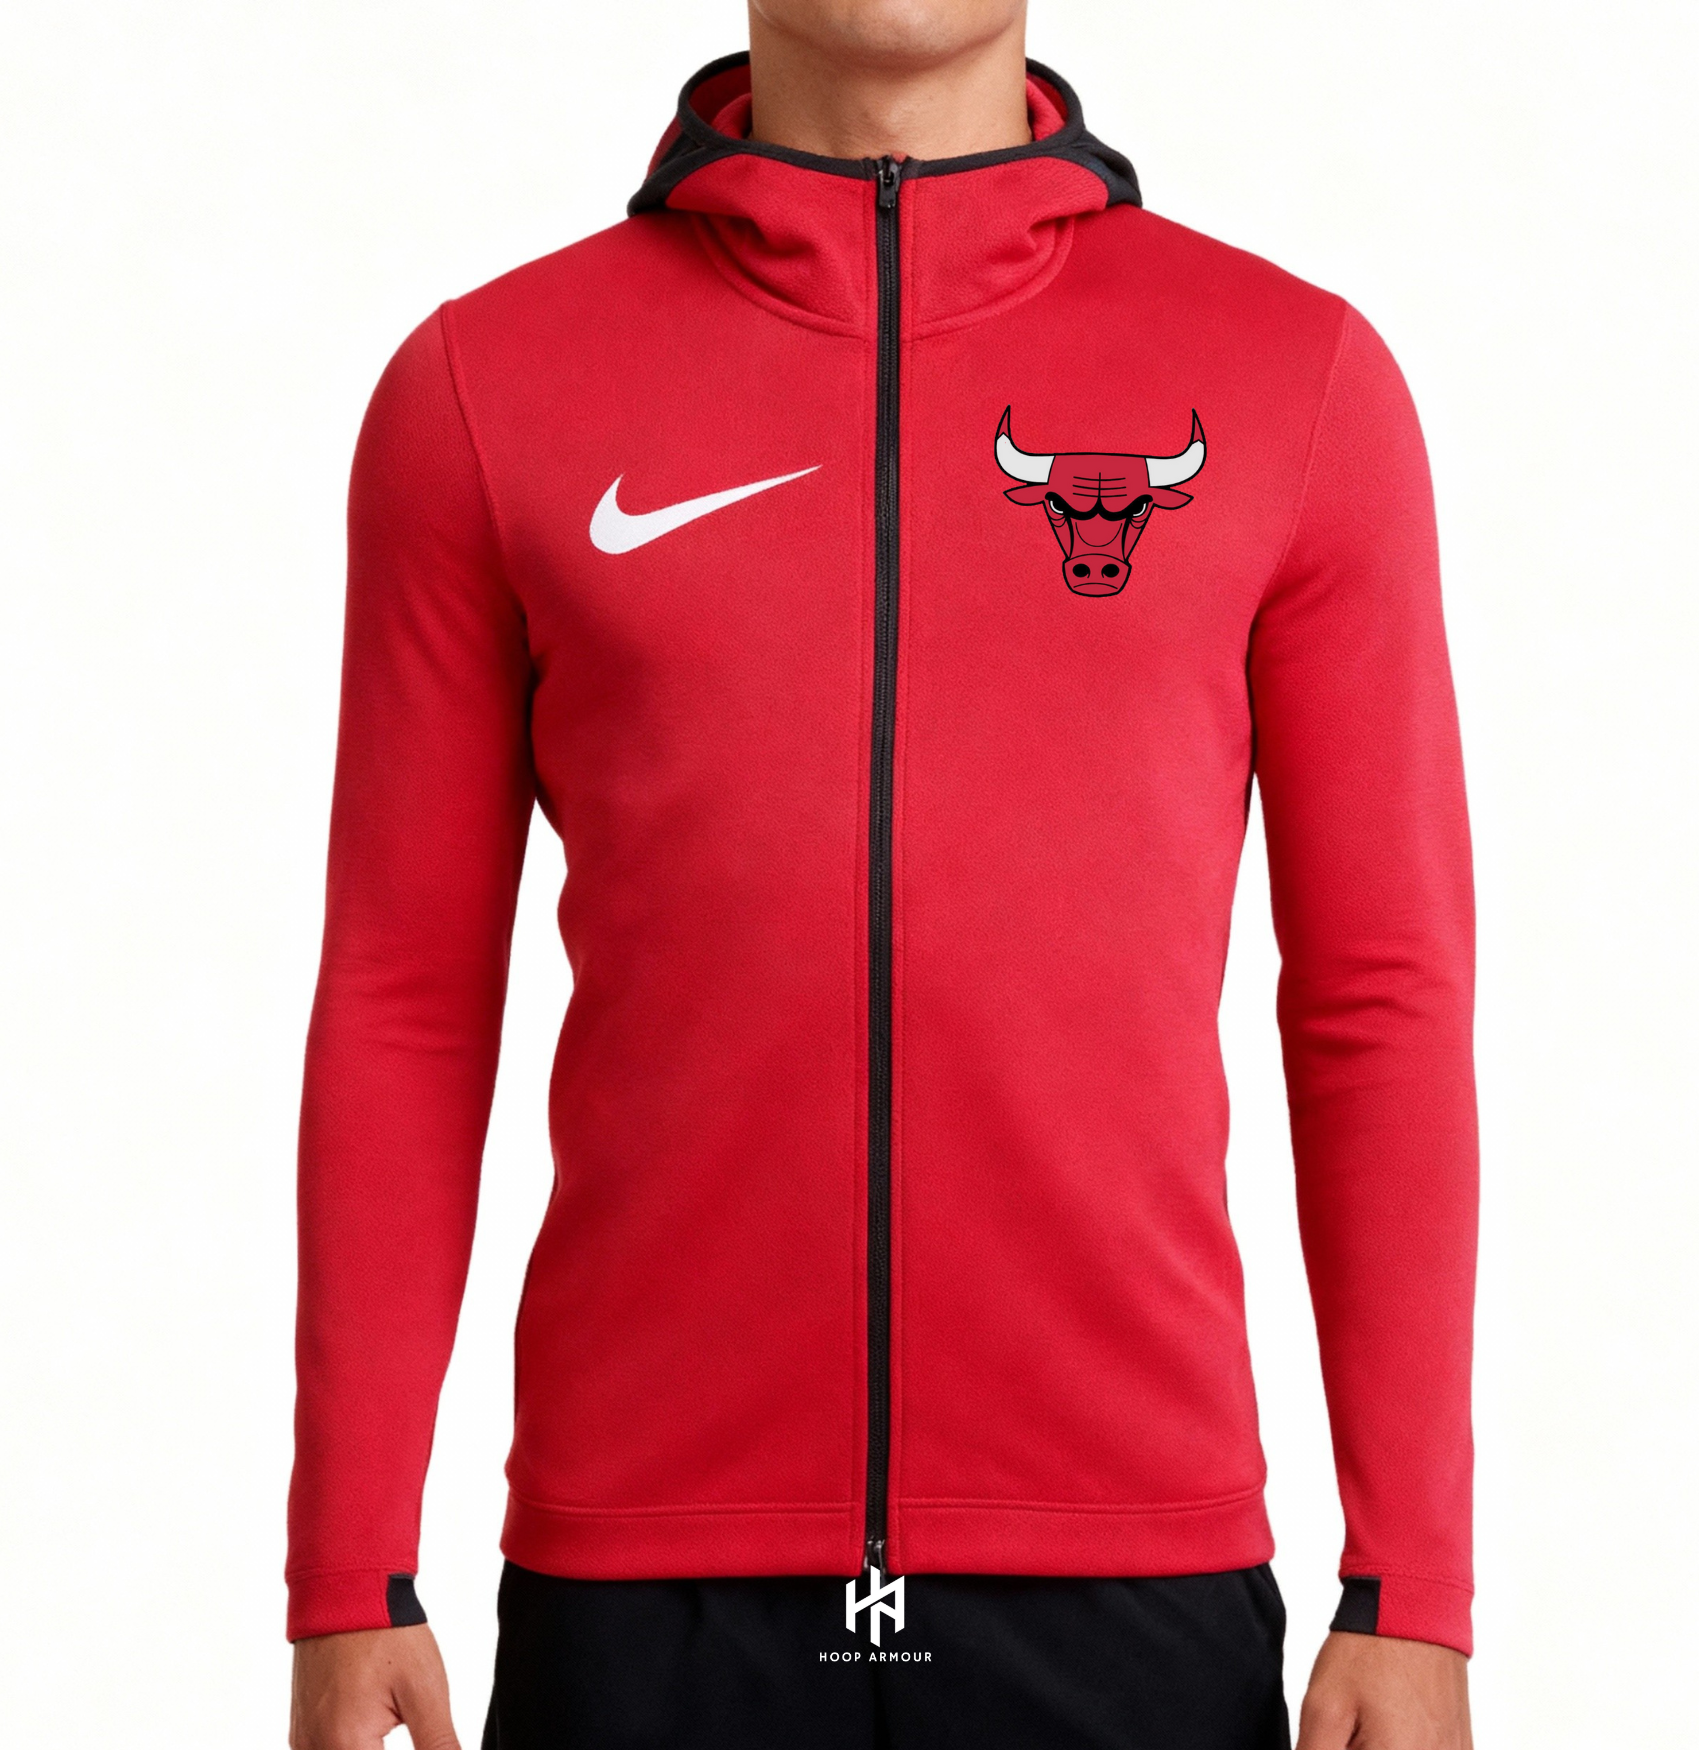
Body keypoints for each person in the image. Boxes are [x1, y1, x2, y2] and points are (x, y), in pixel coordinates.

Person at [286, 2, 1478, 1746]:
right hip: (644, 1585)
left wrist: (1411, 1583)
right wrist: (349, 1561)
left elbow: (1379, 993)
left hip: (1127, 1571)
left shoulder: (1293, 381)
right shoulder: (487, 386)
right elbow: (405, 996)